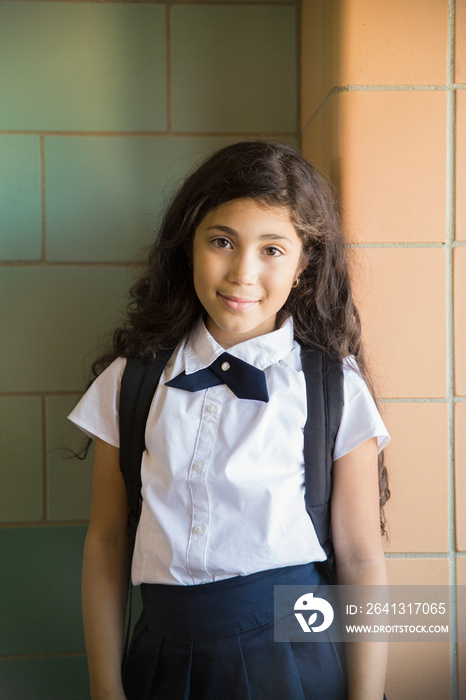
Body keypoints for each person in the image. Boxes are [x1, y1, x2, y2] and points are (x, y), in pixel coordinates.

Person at [69, 140, 390, 700]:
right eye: (222, 242)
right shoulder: (132, 381)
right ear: (188, 246)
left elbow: (362, 558)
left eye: (272, 249)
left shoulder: (332, 386)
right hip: (162, 654)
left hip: (295, 653)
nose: (243, 272)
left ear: (304, 263)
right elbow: (108, 540)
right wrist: (105, 686)